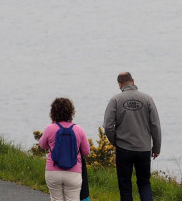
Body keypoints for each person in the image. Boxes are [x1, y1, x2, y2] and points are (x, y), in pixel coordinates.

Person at [103, 72, 161, 201]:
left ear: (119, 84)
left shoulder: (115, 100)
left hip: (124, 148)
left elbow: (107, 126)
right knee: (144, 184)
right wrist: (156, 147)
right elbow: (155, 125)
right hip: (144, 148)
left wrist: (115, 141)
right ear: (133, 81)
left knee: (125, 186)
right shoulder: (147, 99)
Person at [39, 97, 91, 201]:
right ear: (71, 112)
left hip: (53, 171)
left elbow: (42, 145)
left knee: (56, 199)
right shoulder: (78, 129)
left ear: (53, 112)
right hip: (73, 172)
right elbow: (86, 151)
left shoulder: (50, 128)